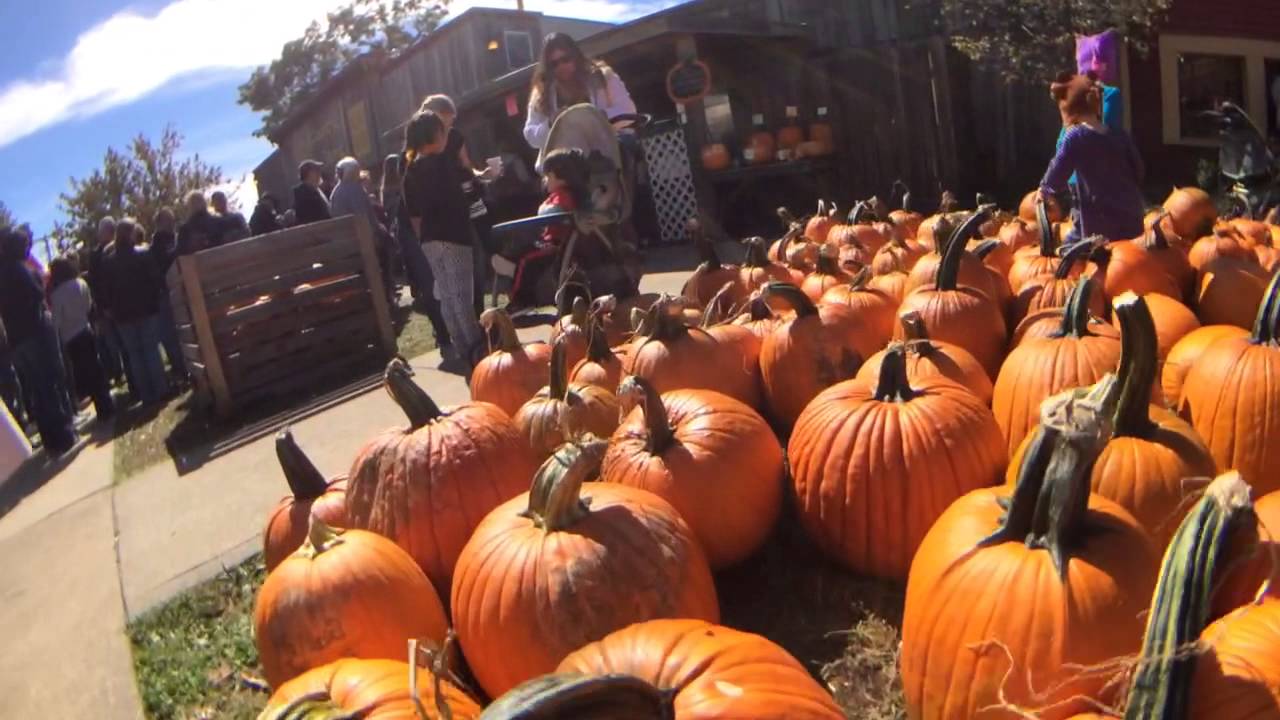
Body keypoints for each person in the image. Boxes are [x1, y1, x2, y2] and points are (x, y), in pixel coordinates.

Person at [401, 110, 483, 372]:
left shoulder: (410, 171)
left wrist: (422, 237)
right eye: (442, 130)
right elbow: (467, 185)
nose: (445, 134)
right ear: (433, 135)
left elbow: (413, 213)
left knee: (447, 294)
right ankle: (475, 347)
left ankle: (460, 345)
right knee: (461, 293)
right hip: (454, 234)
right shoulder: (443, 163)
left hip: (429, 238)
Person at [1039, 72, 1145, 243]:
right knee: (1128, 258)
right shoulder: (1119, 135)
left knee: (1074, 252)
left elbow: (1058, 172)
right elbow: (1139, 169)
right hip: (1131, 217)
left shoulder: (1075, 136)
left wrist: (1045, 190)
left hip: (1098, 222)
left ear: (1068, 110)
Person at [0, 228, 77, 456]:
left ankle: (50, 439)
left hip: (17, 341)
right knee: (50, 383)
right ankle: (64, 435)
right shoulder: (20, 270)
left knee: (36, 390)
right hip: (35, 332)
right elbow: (36, 293)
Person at [422, 94, 499, 316]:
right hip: (446, 207)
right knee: (459, 261)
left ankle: (478, 312)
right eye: (445, 119)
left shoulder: (455, 137)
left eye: (451, 120)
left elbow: (466, 166)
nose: (449, 124)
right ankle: (464, 317)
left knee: (478, 256)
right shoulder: (424, 142)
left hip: (468, 199)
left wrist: (482, 174)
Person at [500, 148, 591, 311]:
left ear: (561, 178)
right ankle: (509, 265)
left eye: (548, 176)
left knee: (525, 261)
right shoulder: (558, 194)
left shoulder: (565, 195)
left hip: (555, 245)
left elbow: (549, 212)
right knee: (519, 255)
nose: (544, 180)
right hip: (547, 241)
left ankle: (521, 301)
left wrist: (544, 206)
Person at [523, 33, 637, 152]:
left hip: (607, 156)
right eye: (554, 64)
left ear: (575, 56)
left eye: (565, 59)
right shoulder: (542, 92)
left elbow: (628, 110)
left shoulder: (602, 77)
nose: (561, 66)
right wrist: (552, 123)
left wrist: (595, 117)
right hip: (567, 163)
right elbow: (531, 135)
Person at [382, 153, 450, 347]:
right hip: (417, 240)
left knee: (435, 286)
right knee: (431, 286)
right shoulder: (406, 192)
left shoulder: (420, 187)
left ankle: (445, 332)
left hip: (421, 239)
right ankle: (443, 333)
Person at [99, 219, 169, 405]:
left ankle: (146, 395)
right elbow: (156, 281)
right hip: (146, 309)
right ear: (131, 234)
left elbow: (105, 292)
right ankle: (161, 390)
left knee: (135, 354)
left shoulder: (108, 262)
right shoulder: (143, 254)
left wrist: (111, 310)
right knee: (150, 350)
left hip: (122, 315)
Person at [47, 257, 114, 421]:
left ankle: (99, 408)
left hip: (70, 338)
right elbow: (89, 305)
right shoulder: (80, 283)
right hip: (85, 329)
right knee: (96, 367)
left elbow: (56, 321)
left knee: (82, 372)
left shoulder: (57, 294)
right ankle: (106, 404)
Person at [149, 208, 186, 382]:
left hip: (183, 287)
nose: (172, 223)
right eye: (168, 221)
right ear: (161, 223)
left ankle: (186, 366)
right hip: (167, 293)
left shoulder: (176, 237)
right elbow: (161, 266)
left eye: (172, 220)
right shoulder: (157, 244)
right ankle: (180, 368)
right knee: (172, 334)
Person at [293, 160, 332, 226]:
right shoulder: (304, 194)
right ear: (309, 173)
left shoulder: (316, 190)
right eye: (317, 170)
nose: (319, 173)